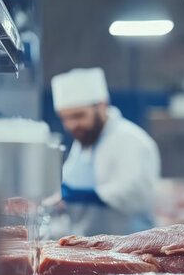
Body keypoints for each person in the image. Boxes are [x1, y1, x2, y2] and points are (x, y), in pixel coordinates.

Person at [50, 67, 160, 236]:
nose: (71, 126)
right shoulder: (84, 140)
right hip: (89, 247)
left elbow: (137, 194)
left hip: (129, 246)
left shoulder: (131, 139)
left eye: (78, 116)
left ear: (102, 105)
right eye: (65, 118)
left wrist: (87, 195)